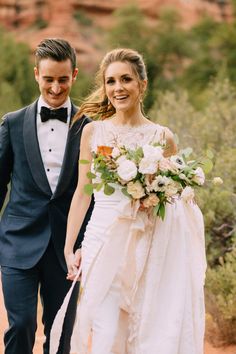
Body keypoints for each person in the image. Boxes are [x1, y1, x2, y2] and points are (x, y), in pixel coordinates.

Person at [63, 48, 207, 354]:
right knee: (104, 329)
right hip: (101, 240)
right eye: (111, 81)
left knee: (142, 328)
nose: (118, 88)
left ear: (142, 84)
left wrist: (153, 199)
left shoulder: (162, 137)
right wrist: (69, 246)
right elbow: (83, 192)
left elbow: (174, 200)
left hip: (148, 244)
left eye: (126, 79)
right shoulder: (92, 133)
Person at [0, 38, 93, 354]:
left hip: (66, 249)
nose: (55, 87)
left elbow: (92, 192)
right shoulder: (11, 124)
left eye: (63, 80)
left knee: (60, 332)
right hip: (17, 242)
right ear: (36, 74)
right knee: (22, 324)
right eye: (49, 79)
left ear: (75, 75)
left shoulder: (90, 127)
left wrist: (85, 243)